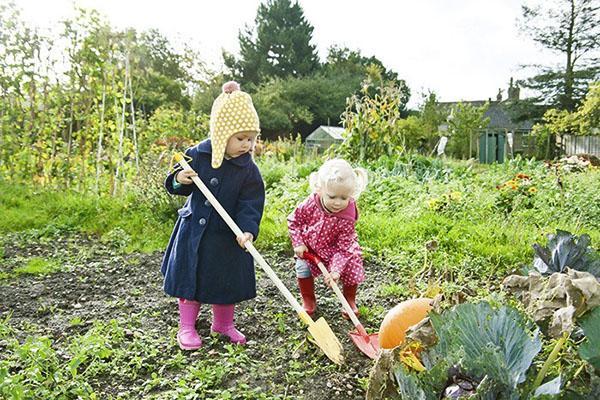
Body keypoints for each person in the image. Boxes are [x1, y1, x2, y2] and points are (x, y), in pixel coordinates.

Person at [161, 81, 265, 350]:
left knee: (225, 281)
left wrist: (247, 229)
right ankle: (186, 327)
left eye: (251, 139)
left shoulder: (248, 170)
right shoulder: (198, 155)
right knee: (190, 280)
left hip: (226, 237)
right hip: (194, 232)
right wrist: (180, 179)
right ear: (222, 134)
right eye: (240, 138)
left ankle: (223, 324)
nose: (247, 145)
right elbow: (175, 184)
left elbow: (251, 203)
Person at [287, 159, 368, 319]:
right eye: (332, 197)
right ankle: (308, 300)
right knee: (303, 268)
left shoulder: (348, 216)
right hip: (309, 247)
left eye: (344, 198)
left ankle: (349, 300)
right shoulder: (310, 204)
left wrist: (336, 270)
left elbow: (344, 247)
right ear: (320, 189)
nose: (338, 203)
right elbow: (293, 221)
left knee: (351, 265)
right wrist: (298, 243)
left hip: (336, 250)